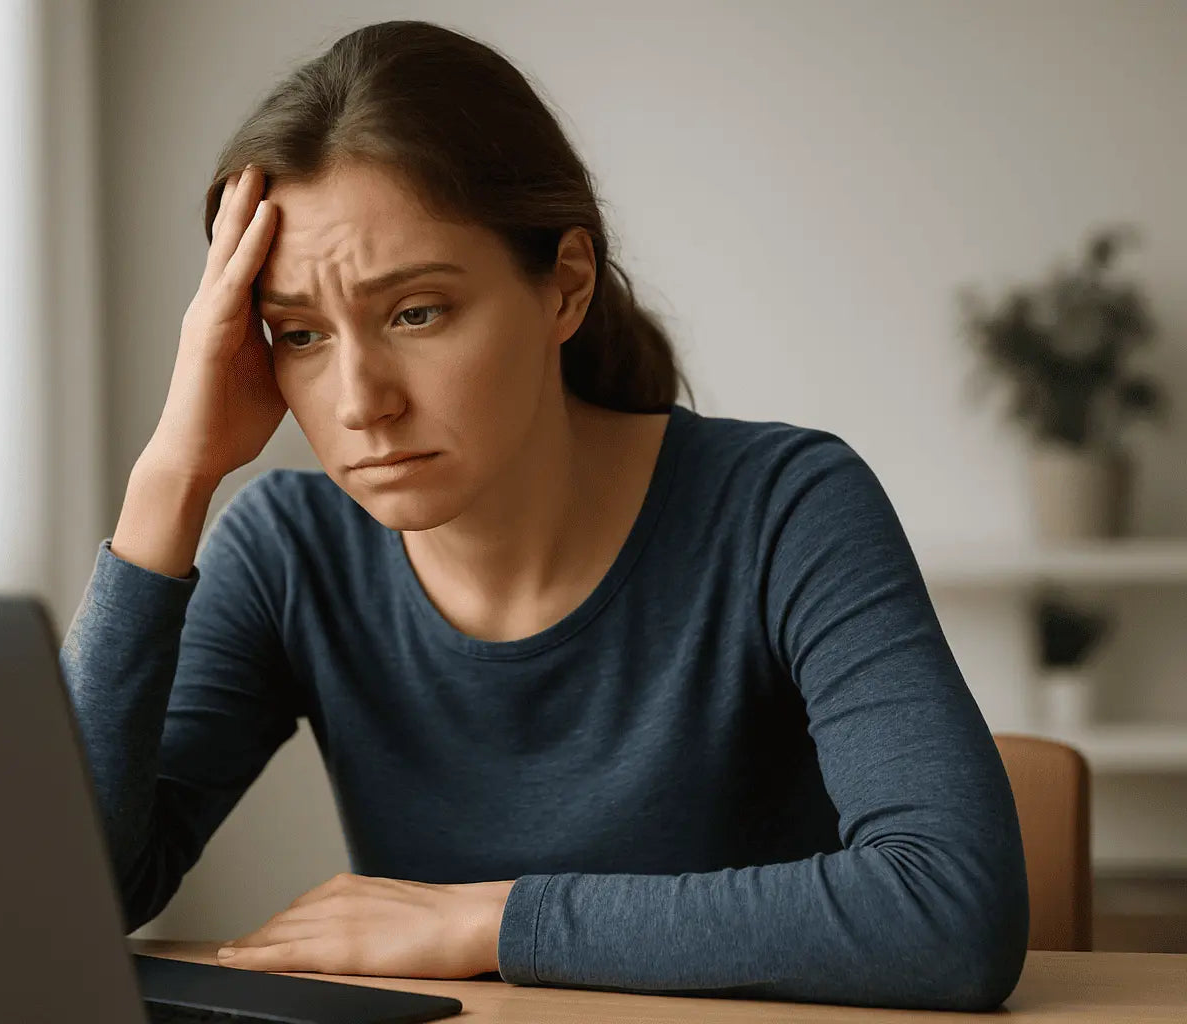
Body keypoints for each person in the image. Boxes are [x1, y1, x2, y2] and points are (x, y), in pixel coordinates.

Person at [59, 19, 1028, 1012]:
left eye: (416, 312)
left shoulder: (785, 507)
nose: (360, 401)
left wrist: (485, 921)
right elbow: (66, 901)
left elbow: (949, 914)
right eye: (299, 332)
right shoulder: (290, 552)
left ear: (565, 283)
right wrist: (171, 475)